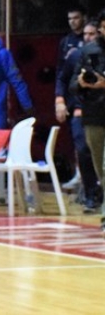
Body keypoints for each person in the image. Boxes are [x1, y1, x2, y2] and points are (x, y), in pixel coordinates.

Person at [57, 20, 101, 212]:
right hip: (83, 112)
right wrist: (60, 100)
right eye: (85, 34)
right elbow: (65, 80)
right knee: (84, 152)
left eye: (92, 34)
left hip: (99, 110)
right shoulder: (77, 54)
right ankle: (91, 194)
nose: (88, 37)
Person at [70, 9, 105, 234]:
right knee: (100, 167)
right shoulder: (88, 51)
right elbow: (72, 84)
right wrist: (82, 83)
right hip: (94, 114)